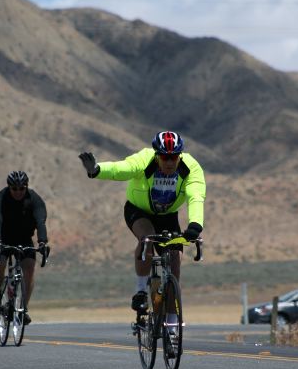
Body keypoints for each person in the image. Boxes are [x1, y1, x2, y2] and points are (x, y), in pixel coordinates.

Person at [78, 131, 205, 326]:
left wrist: (195, 226)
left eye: (174, 157)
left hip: (168, 217)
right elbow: (122, 169)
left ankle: (172, 325)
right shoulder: (145, 159)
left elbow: (196, 196)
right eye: (165, 157)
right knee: (146, 238)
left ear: (180, 155)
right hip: (138, 211)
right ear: (157, 155)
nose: (170, 162)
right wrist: (96, 170)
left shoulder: (191, 167)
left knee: (174, 264)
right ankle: (141, 291)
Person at [0, 170, 49, 325]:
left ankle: (24, 309)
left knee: (29, 268)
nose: (19, 192)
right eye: (15, 189)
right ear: (9, 188)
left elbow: (41, 221)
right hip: (2, 237)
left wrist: (42, 242)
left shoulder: (34, 199)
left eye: (22, 188)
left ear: (26, 187)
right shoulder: (0, 199)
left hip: (24, 238)